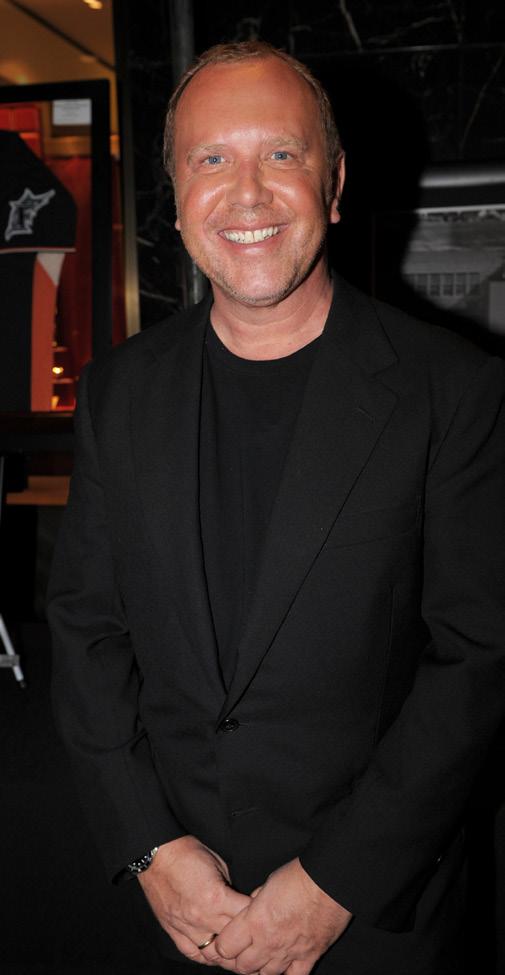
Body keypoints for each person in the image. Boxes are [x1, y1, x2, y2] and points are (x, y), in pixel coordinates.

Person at [48, 40, 505, 975]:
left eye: (282, 154)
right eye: (211, 158)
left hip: (374, 921)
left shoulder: (453, 391)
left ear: (333, 185)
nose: (246, 192)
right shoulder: (117, 393)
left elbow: (479, 655)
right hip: (174, 914)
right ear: (176, 196)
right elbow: (85, 629)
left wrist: (337, 879)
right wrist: (150, 846)